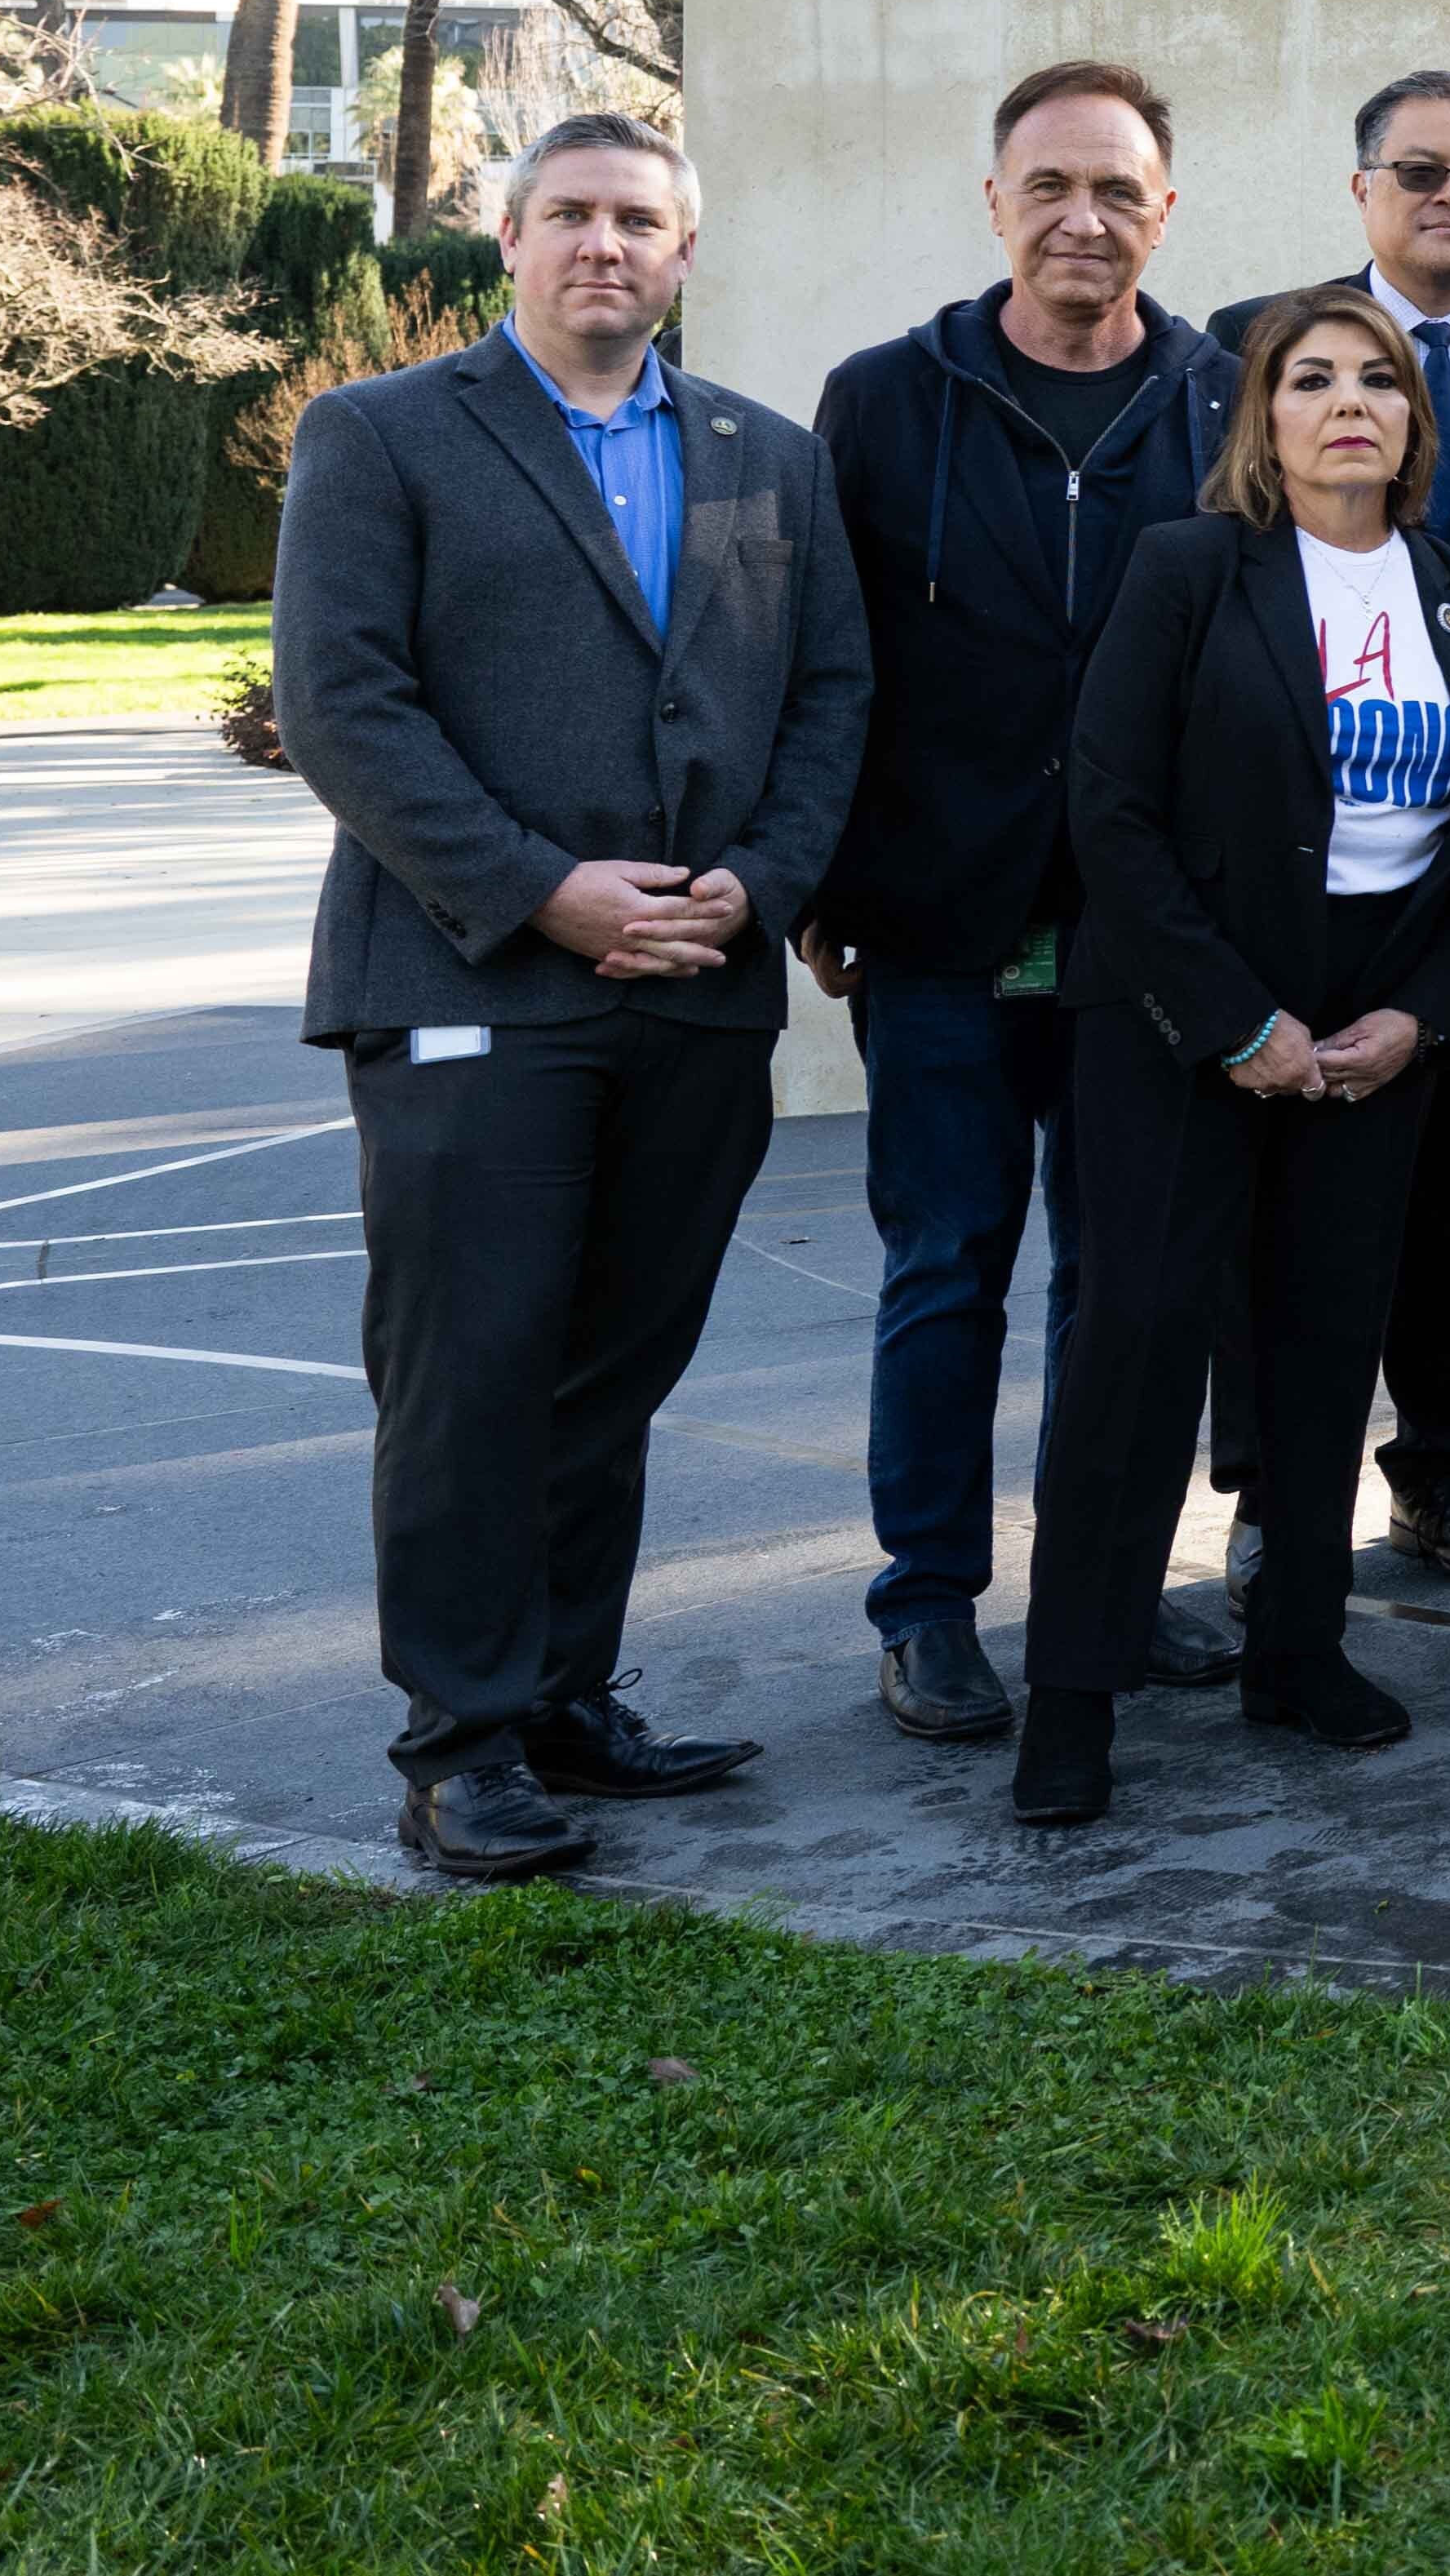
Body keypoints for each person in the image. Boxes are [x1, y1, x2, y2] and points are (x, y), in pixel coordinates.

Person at [273, 110, 869, 1881]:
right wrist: (550, 892)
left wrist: (760, 883)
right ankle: (458, 1740)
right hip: (473, 977)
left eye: (639, 218)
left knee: (614, 1360)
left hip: (701, 979)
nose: (603, 243)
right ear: (509, 237)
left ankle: (558, 1692)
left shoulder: (769, 455)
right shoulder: (380, 434)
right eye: (570, 214)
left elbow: (833, 695)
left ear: (684, 251)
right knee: (472, 1367)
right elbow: (343, 704)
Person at [1007, 291, 1450, 1824]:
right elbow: (1111, 810)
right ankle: (1074, 1691)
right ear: (1263, 417)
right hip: (1184, 1022)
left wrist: (1419, 1021)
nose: (1348, 400)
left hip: (1378, 1031)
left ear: (1415, 422)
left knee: (1324, 1343)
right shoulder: (1190, 570)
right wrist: (1237, 1020)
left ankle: (1299, 1646)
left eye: (1378, 379)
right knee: (1139, 1347)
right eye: (1311, 379)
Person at [801, 59, 1238, 1745]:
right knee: (948, 1268)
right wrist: (830, 874)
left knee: (1124, 1280)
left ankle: (1108, 1583)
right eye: (1050, 183)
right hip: (941, 919)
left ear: (1163, 211)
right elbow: (831, 656)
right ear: (995, 201)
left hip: (1150, 934)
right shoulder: (886, 397)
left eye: (1118, 188)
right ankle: (925, 1605)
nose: (1084, 216)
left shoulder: (1218, 398)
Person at [1205, 69, 1450, 1605]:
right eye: (1419, 169)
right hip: (1290, 855)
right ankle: (1264, 1491)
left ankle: (1444, 1468)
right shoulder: (1254, 346)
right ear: (1361, 185)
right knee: (1270, 1183)